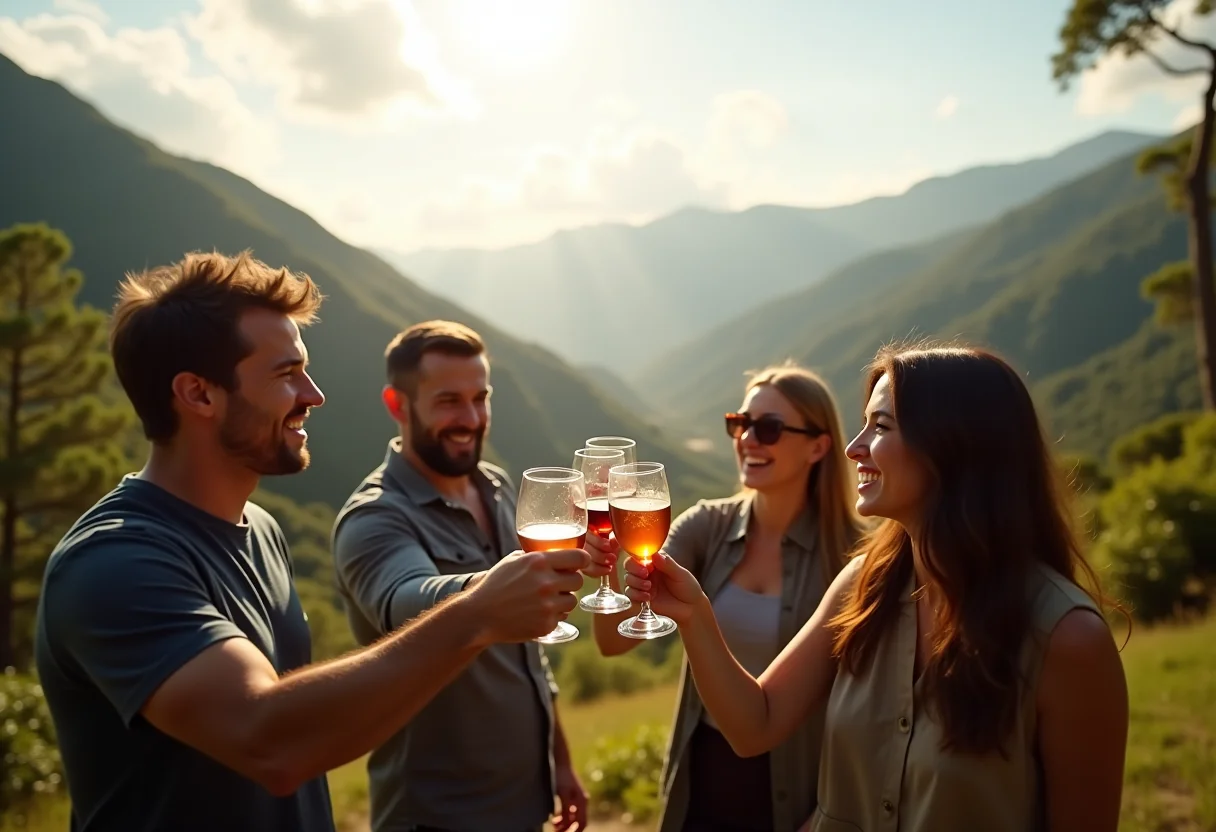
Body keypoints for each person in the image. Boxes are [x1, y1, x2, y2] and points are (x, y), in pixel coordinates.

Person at [32, 252, 589, 832]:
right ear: (198, 394)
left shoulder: (262, 531)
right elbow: (270, 741)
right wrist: (476, 613)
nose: (314, 394)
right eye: (285, 373)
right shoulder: (113, 563)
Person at [621, 343, 1130, 832]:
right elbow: (756, 724)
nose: (852, 447)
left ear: (952, 445)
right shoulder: (861, 587)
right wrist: (694, 616)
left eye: (880, 426)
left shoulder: (1068, 642)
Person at [331, 320, 587, 832]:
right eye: (449, 400)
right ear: (398, 405)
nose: (470, 418)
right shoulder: (374, 518)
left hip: (525, 804)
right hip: (437, 815)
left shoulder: (498, 486)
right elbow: (406, 599)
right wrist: (492, 589)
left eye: (480, 398)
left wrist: (558, 761)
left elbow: (529, 656)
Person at [587, 363, 866, 832]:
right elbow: (614, 642)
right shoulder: (705, 528)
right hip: (703, 782)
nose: (748, 440)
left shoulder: (854, 557)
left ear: (818, 446)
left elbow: (866, 711)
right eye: (740, 424)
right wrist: (608, 576)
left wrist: (825, 815)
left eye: (769, 428)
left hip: (801, 792)